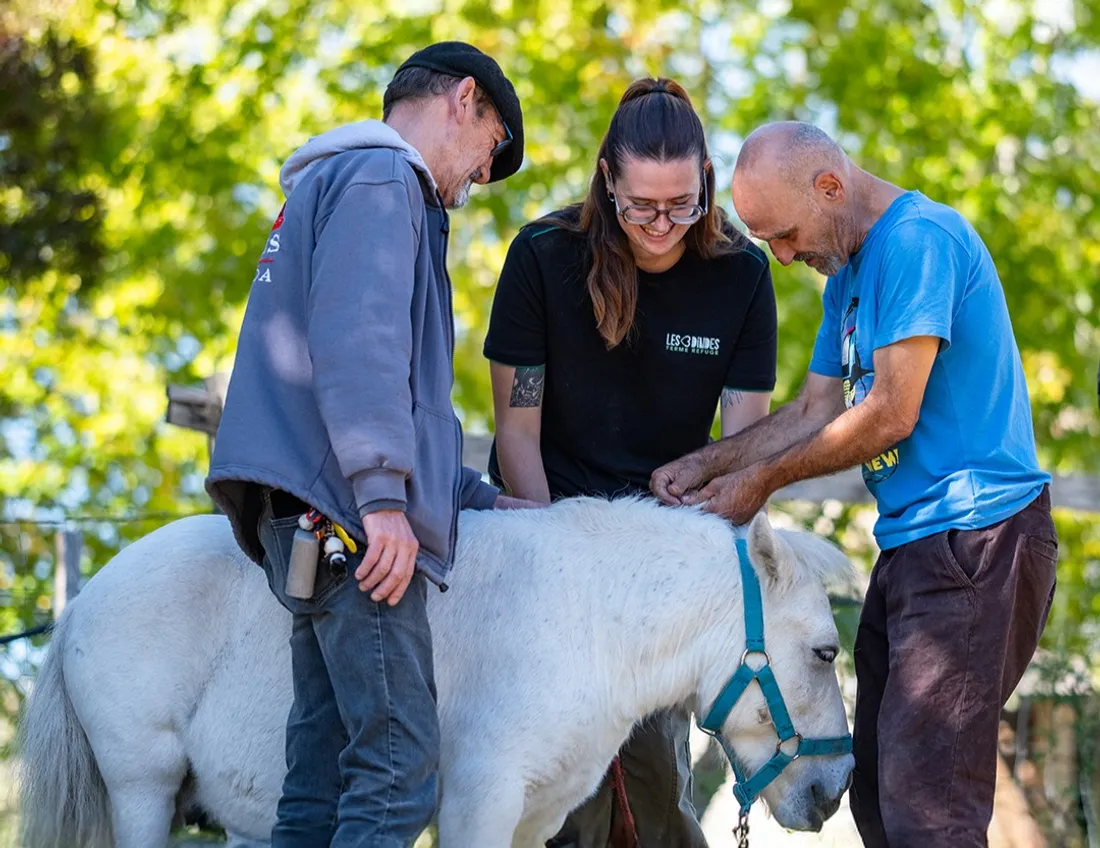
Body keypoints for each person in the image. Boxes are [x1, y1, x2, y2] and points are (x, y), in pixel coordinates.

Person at [651, 122, 1058, 847]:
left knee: (928, 807)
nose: (780, 256)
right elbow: (815, 409)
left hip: (978, 537)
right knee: (875, 790)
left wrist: (762, 483)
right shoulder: (848, 277)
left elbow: (891, 411)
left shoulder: (917, 242)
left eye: (782, 233)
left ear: (830, 187)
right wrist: (709, 464)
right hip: (912, 546)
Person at [205, 42, 536, 848]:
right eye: (492, 150)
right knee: (397, 773)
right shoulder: (385, 181)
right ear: (465, 99)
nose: (480, 180)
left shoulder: (333, 183)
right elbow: (361, 348)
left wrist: (474, 495)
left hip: (306, 519)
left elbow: (374, 389)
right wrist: (385, 499)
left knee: (319, 781)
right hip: (353, 524)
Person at [482, 78, 778, 847]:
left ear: (705, 181)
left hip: (660, 561)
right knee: (553, 787)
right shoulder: (542, 256)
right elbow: (517, 431)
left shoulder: (742, 274)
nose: (661, 223)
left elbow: (744, 445)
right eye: (641, 204)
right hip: (544, 538)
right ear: (607, 178)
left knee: (653, 785)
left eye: (681, 203)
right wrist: (562, 570)